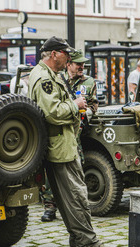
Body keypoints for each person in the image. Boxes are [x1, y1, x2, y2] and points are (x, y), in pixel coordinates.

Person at [28, 36, 112, 247]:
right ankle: (87, 241)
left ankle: (81, 238)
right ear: (54, 54)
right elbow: (53, 112)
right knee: (76, 194)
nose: (69, 58)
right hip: (61, 146)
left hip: (61, 144)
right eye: (66, 54)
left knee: (68, 197)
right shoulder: (44, 78)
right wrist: (75, 104)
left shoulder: (49, 75)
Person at [40, 50, 99, 222]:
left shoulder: (89, 82)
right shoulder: (58, 79)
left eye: (83, 64)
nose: (82, 67)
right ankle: (50, 206)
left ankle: (74, 206)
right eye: (78, 64)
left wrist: (87, 112)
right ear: (69, 64)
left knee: (76, 169)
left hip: (76, 133)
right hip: (60, 130)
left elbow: (94, 104)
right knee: (51, 169)